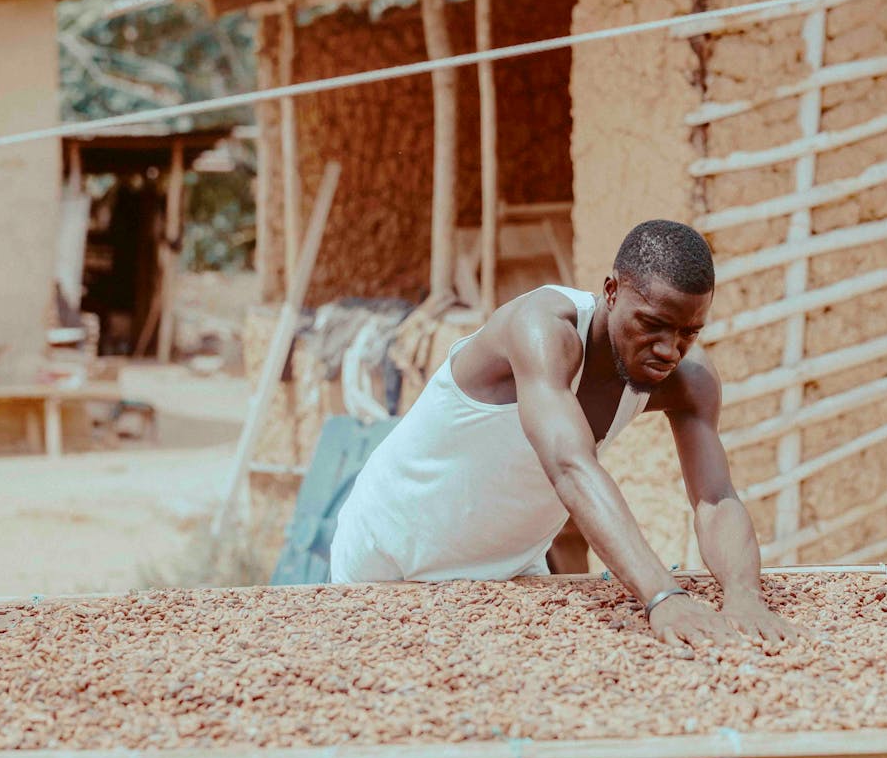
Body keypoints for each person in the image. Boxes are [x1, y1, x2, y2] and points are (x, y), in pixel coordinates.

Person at [330, 219, 800, 648]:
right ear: (612, 291)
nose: (669, 349)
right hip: (390, 558)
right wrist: (661, 595)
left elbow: (715, 498)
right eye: (653, 325)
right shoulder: (542, 329)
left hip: (508, 575)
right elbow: (570, 467)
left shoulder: (689, 380)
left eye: (688, 333)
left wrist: (744, 595)